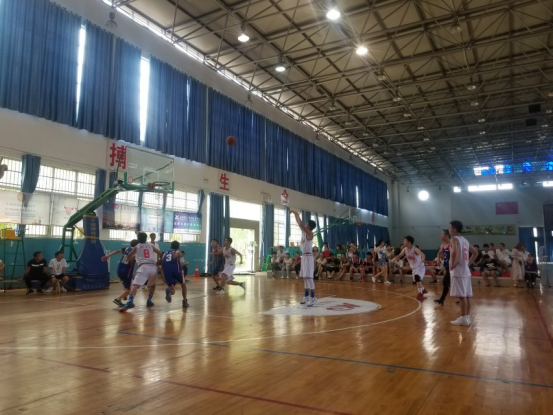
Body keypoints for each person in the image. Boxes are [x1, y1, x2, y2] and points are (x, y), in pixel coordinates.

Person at [119, 232, 162, 312]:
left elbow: (128, 257)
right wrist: (159, 262)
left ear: (138, 239)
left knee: (135, 285)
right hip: (153, 267)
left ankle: (130, 301)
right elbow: (160, 254)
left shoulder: (137, 246)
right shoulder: (151, 245)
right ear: (146, 238)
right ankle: (149, 300)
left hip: (143, 267)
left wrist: (134, 258)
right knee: (152, 285)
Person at [449, 220, 478, 326]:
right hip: (465, 271)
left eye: (450, 227)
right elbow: (475, 253)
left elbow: (454, 251)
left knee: (462, 297)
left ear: (454, 229)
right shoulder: (465, 240)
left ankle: (463, 318)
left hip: (458, 271)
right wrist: (467, 264)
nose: (449, 229)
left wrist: (453, 263)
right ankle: (466, 317)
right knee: (467, 296)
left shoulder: (454, 239)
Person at [291, 210, 317, 306]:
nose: (305, 224)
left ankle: (313, 298)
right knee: (305, 278)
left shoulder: (310, 234)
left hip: (309, 257)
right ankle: (306, 296)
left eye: (307, 224)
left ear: (309, 226)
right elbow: (300, 224)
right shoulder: (304, 233)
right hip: (304, 257)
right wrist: (295, 215)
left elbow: (301, 225)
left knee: (309, 278)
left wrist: (296, 213)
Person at [101, 239, 138, 307]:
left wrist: (108, 256)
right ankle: (118, 299)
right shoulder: (136, 251)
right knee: (130, 289)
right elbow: (131, 258)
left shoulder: (127, 248)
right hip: (126, 271)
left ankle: (124, 295)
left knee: (128, 284)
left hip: (119, 269)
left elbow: (117, 251)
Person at [392, 236, 427, 301]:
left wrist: (423, 259)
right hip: (414, 267)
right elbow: (400, 255)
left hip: (420, 266)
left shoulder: (415, 249)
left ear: (409, 242)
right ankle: (423, 289)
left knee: (417, 277)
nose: (403, 242)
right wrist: (395, 258)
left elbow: (423, 255)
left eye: (405, 241)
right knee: (417, 280)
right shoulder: (405, 249)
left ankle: (420, 293)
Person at [161, 241, 189, 308]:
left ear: (170, 246)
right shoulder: (177, 252)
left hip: (167, 271)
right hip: (176, 270)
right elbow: (179, 255)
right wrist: (180, 255)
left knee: (173, 290)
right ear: (178, 247)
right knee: (183, 285)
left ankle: (170, 291)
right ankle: (184, 301)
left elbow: (162, 263)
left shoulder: (165, 253)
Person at [434, 230, 451, 306]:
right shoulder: (442, 245)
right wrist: (438, 259)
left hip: (453, 267)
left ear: (447, 235)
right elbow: (439, 253)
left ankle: (463, 298)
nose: (441, 236)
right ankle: (441, 300)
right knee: (446, 282)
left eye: (442, 234)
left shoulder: (451, 244)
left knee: (446, 282)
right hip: (447, 267)